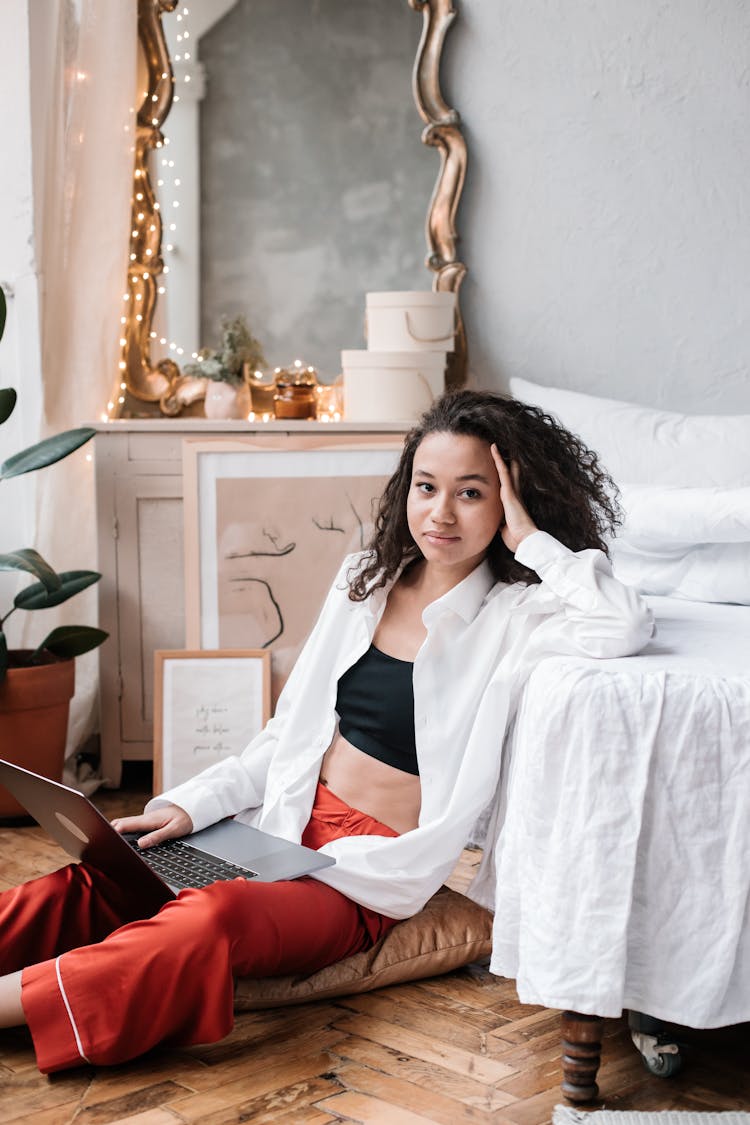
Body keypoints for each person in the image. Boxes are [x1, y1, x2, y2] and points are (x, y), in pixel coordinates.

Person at [0, 389, 653, 1073]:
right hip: (276, 828)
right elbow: (287, 737)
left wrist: (533, 541)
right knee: (95, 880)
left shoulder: (519, 616)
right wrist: (190, 804)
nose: (440, 512)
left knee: (210, 921)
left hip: (360, 875)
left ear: (511, 502)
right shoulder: (364, 580)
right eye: (427, 487)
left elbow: (624, 622)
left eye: (472, 493)